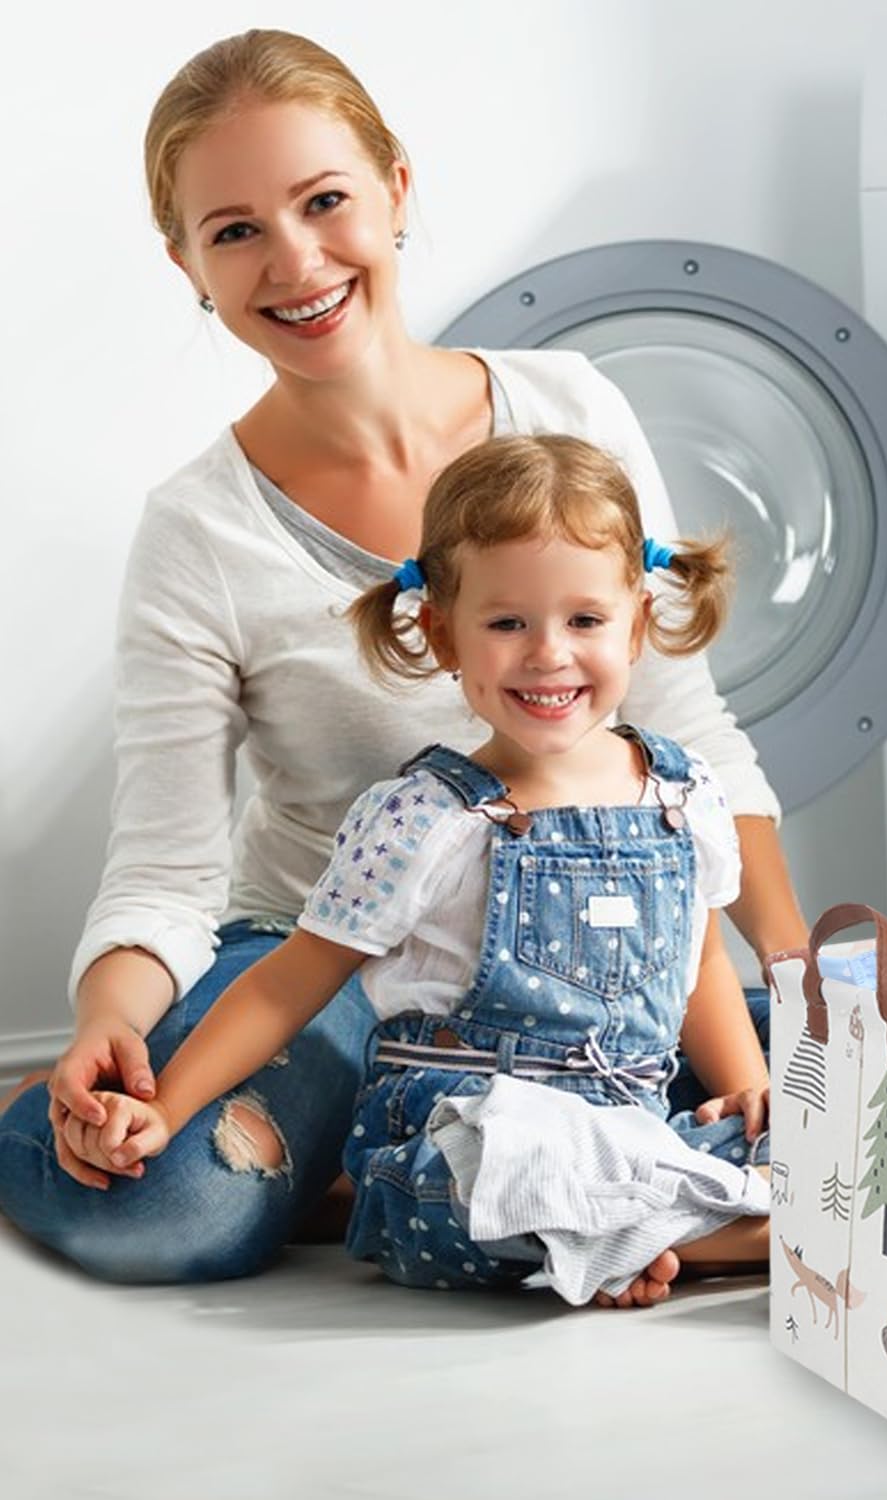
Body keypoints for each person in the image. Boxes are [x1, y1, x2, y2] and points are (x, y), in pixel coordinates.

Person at [0, 29, 804, 1287]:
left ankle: (425, 1171)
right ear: (187, 265)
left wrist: (797, 972)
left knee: (833, 1088)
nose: (297, 261)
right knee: (165, 1213)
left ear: (396, 188)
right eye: (236, 231)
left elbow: (685, 730)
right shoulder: (197, 529)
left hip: (578, 962)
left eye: (325, 202)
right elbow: (163, 865)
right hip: (327, 958)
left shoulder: (570, 406)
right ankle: (299, 1137)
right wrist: (111, 1023)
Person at [69, 433, 772, 1307]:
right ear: (443, 635)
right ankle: (711, 1236)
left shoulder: (681, 793)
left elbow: (697, 957)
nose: (549, 653)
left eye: (584, 620)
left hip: (627, 1127)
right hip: (469, 1133)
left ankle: (635, 1231)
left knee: (785, 1111)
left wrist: (747, 1088)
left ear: (636, 624)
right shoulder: (428, 817)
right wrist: (168, 1109)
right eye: (507, 622)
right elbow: (288, 985)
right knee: (495, 1171)